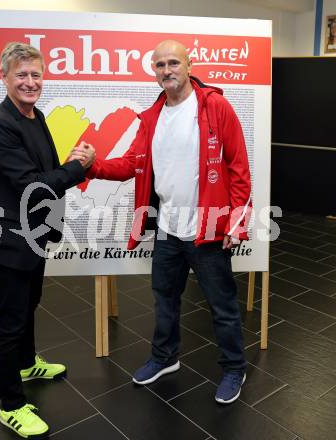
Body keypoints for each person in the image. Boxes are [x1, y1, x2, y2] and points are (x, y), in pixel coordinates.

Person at [75, 39, 252, 404]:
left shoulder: (214, 106)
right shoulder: (152, 118)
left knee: (222, 305)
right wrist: (94, 164)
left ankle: (235, 367)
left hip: (208, 228)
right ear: (153, 70)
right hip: (169, 229)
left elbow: (239, 167)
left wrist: (237, 222)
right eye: (160, 65)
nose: (167, 70)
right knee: (165, 299)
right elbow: (130, 165)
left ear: (189, 65)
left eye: (173, 62)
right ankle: (164, 357)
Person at [0, 42, 95, 438]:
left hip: (35, 234)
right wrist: (77, 169)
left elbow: (43, 167)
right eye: (21, 75)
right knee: (9, 322)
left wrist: (71, 159)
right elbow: (31, 185)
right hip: (10, 237)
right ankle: (11, 405)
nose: (30, 82)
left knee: (30, 304)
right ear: (5, 78)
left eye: (36, 74)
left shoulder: (35, 115)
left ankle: (27, 364)